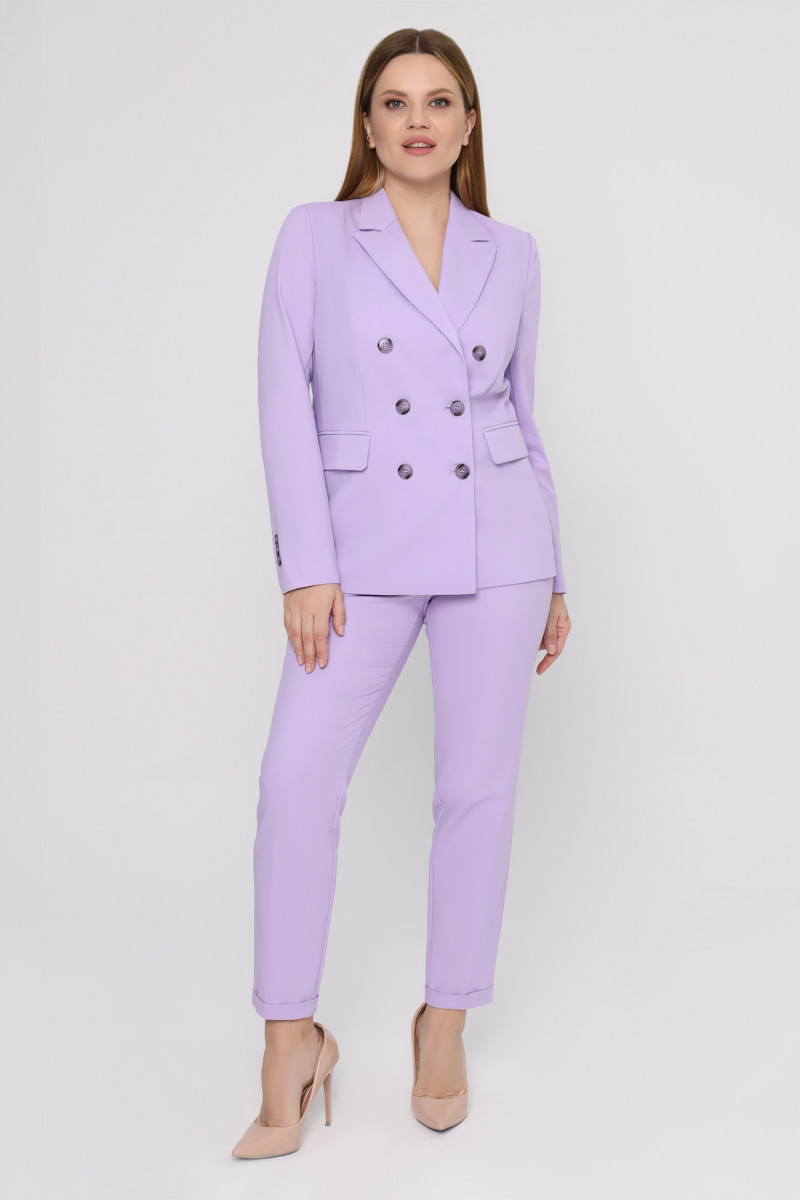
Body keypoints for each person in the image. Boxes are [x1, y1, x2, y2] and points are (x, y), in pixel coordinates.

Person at [232, 27, 572, 1160]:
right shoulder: (315, 235)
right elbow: (282, 396)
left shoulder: (511, 252)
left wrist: (554, 573)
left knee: (475, 792)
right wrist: (306, 565)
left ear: (468, 125)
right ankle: (290, 1043)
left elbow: (520, 415)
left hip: (498, 547)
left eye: (439, 101)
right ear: (367, 125)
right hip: (358, 551)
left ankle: (444, 1021)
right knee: (295, 781)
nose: (417, 119)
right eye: (394, 101)